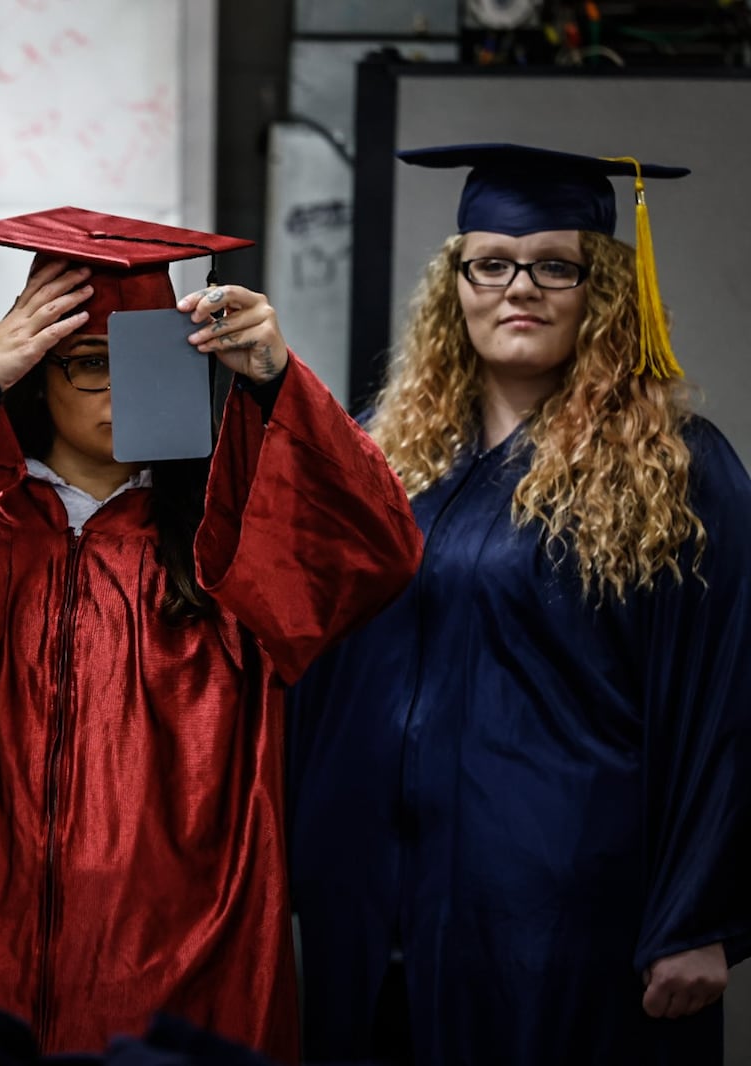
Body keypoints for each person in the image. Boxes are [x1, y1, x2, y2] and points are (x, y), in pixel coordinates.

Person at [0, 206, 423, 1059]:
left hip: (176, 975)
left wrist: (273, 380)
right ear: (36, 375)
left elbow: (379, 547)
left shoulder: (227, 551)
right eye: (85, 363)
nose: (119, 386)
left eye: (148, 363)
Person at [287, 144, 751, 1066]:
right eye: (490, 263)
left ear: (602, 290)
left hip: (568, 910)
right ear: (455, 282)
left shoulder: (680, 469)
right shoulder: (392, 463)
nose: (519, 288)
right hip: (382, 904)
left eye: (554, 266)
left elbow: (731, 698)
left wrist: (699, 915)